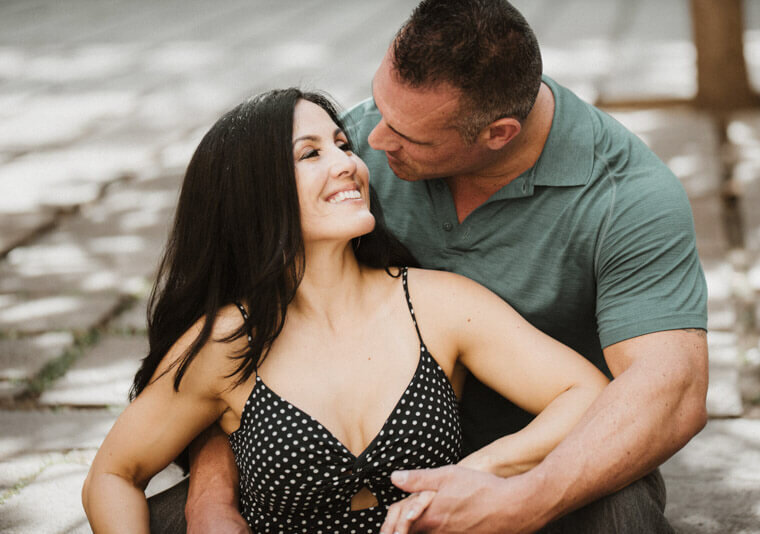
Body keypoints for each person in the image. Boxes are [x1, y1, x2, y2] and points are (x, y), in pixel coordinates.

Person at [179, 1, 710, 533]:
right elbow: (222, 342)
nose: (375, 139)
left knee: (624, 518)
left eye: (410, 137)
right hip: (344, 465)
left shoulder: (629, 198)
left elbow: (671, 390)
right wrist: (210, 497)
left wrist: (519, 497)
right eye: (380, 106)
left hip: (546, 453)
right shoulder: (351, 155)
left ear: (497, 134)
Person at [82, 88, 609, 533]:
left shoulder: (437, 304)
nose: (348, 164)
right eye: (309, 154)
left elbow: (587, 392)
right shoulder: (227, 342)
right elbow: (113, 474)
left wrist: (480, 469)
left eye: (341, 144)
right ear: (254, 194)